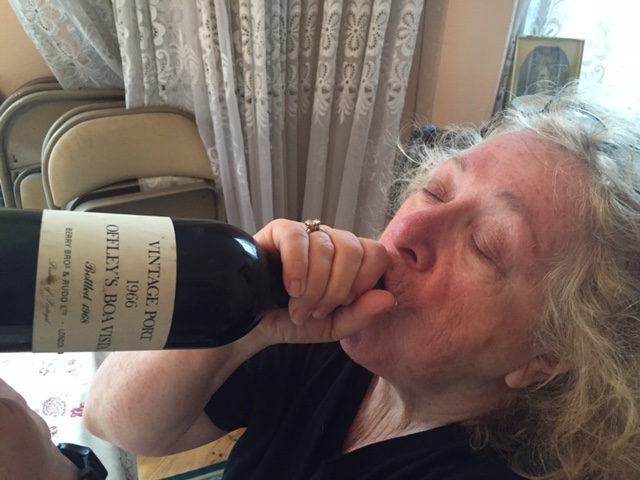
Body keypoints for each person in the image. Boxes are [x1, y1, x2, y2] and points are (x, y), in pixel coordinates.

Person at [83, 90, 640, 479]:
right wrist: (249, 312)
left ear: (546, 356)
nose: (410, 230)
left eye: (485, 245)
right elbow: (115, 421)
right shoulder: (330, 334)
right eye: (436, 191)